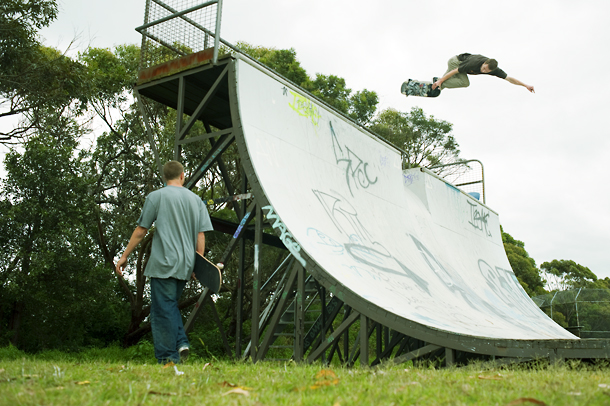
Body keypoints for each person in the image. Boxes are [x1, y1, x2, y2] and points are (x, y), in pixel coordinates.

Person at [116, 161, 213, 364]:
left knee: (162, 310)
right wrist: (198, 263)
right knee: (168, 306)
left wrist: (125, 255)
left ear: (165, 177)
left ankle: (170, 355)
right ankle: (178, 346)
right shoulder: (196, 200)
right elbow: (200, 235)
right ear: (182, 176)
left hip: (164, 263)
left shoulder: (156, 197)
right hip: (185, 264)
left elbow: (141, 230)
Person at [431, 53, 535, 93]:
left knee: (441, 85)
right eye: (484, 68)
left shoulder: (495, 70)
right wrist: (441, 80)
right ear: (484, 62)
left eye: (486, 71)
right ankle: (438, 82)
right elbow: (455, 71)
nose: (483, 71)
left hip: (459, 65)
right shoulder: (474, 62)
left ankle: (434, 85)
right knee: (464, 82)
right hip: (456, 62)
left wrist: (525, 85)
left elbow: (510, 79)